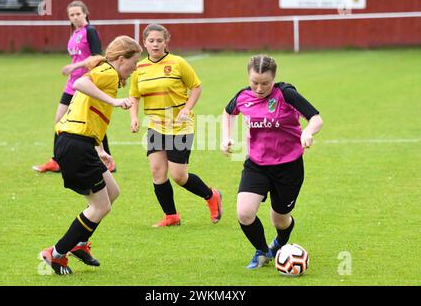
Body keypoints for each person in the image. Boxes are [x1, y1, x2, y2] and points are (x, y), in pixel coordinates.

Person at [40, 35, 142, 275]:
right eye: (133, 62)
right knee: (100, 207)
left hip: (81, 143)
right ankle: (56, 254)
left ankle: (80, 244)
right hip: (75, 145)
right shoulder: (107, 72)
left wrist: (99, 148)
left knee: (112, 192)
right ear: (120, 59)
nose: (135, 67)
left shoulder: (106, 73)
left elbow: (85, 110)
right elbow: (79, 84)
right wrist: (115, 101)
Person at [221, 55, 323, 269]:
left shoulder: (286, 94)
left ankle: (280, 243)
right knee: (245, 213)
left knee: (280, 219)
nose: (259, 88)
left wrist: (307, 132)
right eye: (254, 82)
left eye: (265, 83)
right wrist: (225, 137)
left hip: (288, 167)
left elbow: (316, 118)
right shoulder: (243, 96)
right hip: (257, 165)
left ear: (274, 78)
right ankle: (262, 252)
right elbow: (228, 113)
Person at [129, 24, 222, 227]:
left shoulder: (178, 63)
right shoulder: (139, 68)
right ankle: (171, 216)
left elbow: (196, 87)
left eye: (159, 40)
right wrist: (134, 117)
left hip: (180, 126)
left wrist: (187, 108)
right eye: (151, 41)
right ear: (144, 43)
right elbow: (135, 96)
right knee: (157, 171)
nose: (155, 44)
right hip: (155, 125)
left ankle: (211, 195)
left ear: (166, 41)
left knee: (179, 176)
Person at [33, 0, 116, 173]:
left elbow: (97, 57)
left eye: (78, 13)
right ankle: (56, 160)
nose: (75, 17)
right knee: (59, 120)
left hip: (86, 83)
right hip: (72, 84)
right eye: (72, 15)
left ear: (85, 13)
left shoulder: (90, 31)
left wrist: (74, 67)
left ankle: (106, 158)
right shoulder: (75, 33)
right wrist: (73, 68)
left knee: (92, 119)